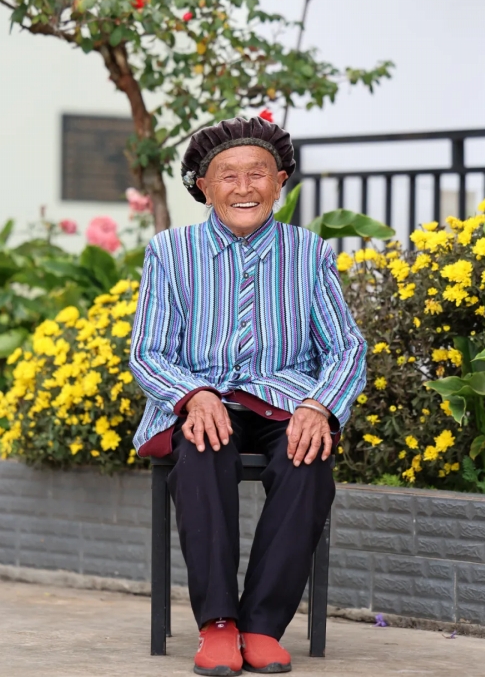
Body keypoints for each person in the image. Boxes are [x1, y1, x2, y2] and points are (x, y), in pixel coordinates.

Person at [129, 116, 366, 676]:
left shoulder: (308, 252)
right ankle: (218, 624)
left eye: (257, 174)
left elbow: (347, 347)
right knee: (203, 449)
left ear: (279, 182)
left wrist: (319, 405)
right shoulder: (170, 252)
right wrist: (192, 394)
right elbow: (147, 350)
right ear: (203, 187)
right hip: (202, 400)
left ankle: (261, 625)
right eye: (227, 176)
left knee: (308, 458)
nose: (243, 187)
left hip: (286, 400)